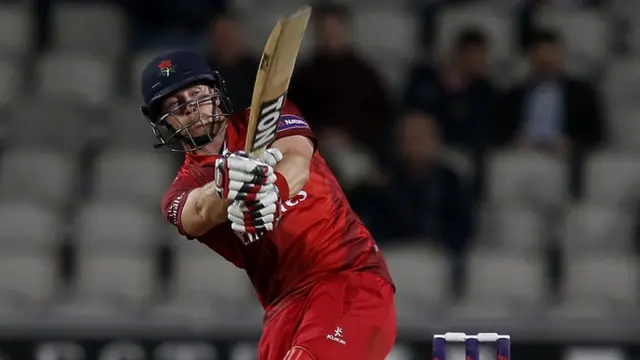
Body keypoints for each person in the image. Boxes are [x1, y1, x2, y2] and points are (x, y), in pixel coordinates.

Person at [139, 50, 396, 360]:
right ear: (163, 122)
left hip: (349, 278)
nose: (192, 108)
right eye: (177, 105)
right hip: (283, 308)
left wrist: (273, 189)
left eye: (196, 94)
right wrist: (228, 185)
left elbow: (297, 160)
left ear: (216, 93)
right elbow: (200, 211)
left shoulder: (266, 119)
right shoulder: (181, 190)